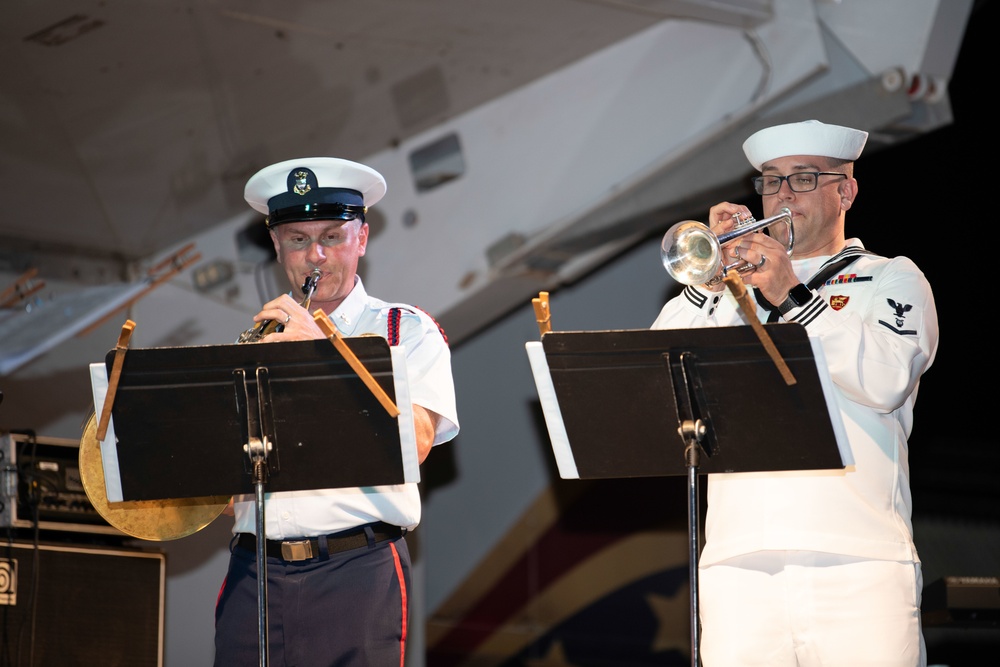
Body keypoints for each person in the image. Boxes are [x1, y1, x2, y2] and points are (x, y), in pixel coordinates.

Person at [652, 120, 938, 666]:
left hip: (859, 558)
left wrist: (790, 296)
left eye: (803, 179)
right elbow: (658, 374)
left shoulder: (889, 279)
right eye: (770, 181)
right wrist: (710, 278)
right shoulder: (729, 291)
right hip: (737, 565)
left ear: (845, 191)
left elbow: (884, 381)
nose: (782, 195)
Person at [213, 157, 460, 666]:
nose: (316, 256)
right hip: (252, 570)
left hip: (355, 570)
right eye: (298, 240)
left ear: (362, 238)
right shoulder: (258, 342)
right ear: (277, 245)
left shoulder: (404, 330)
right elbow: (222, 492)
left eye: (332, 236)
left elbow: (413, 444)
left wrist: (321, 355)